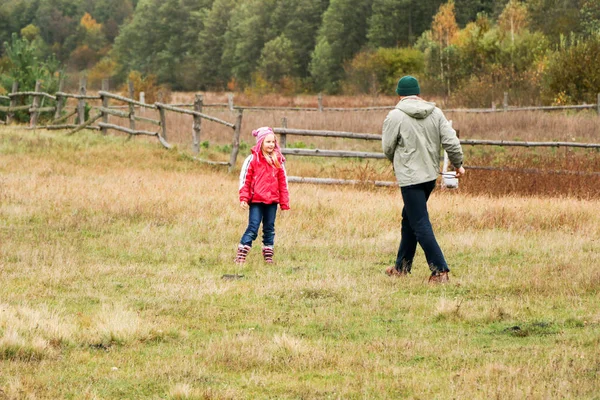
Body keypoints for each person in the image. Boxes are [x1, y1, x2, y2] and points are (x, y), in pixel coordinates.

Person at [382, 75, 464, 283]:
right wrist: (458, 163)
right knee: (409, 218)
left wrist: (397, 161)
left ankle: (439, 271)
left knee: (419, 222)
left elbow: (387, 147)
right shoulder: (436, 113)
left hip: (410, 178)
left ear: (399, 94)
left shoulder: (395, 116)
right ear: (418, 93)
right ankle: (401, 267)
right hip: (428, 177)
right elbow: (451, 141)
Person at [236, 126, 290, 264]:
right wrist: (244, 198)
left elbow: (283, 183)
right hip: (256, 200)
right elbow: (245, 180)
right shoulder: (253, 159)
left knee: (269, 228)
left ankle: (268, 257)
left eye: (273, 142)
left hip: (272, 201)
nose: (271, 145)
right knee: (253, 226)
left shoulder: (278, 160)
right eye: (268, 142)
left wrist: (284, 202)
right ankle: (241, 254)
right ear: (260, 143)